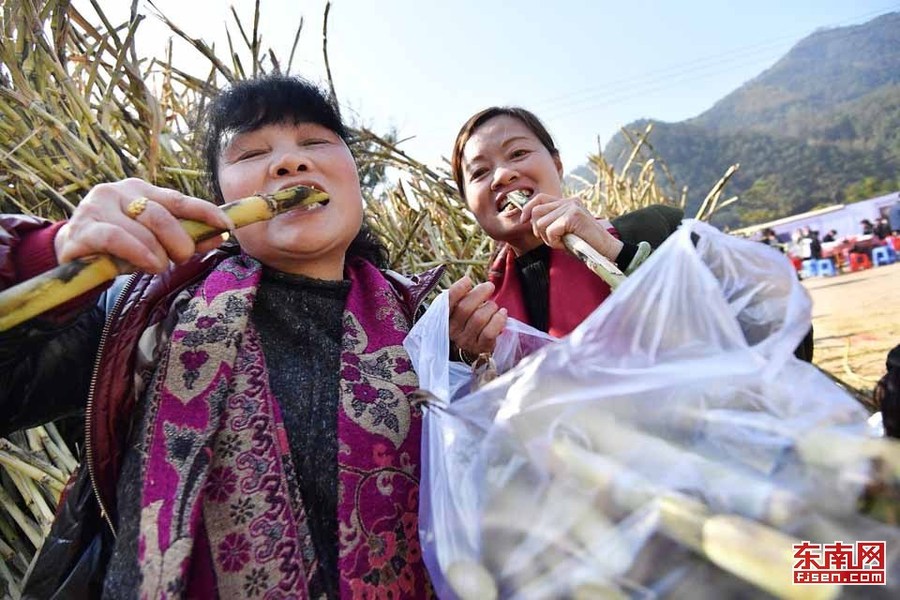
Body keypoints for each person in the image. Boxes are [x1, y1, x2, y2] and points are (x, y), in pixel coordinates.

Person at [0, 76, 436, 598]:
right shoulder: (144, 310)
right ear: (220, 202)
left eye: (315, 142)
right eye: (251, 152)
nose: (289, 164)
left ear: (355, 177)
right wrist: (43, 257)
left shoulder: (428, 329)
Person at [445, 106, 682, 358]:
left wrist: (618, 254)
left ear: (557, 166)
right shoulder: (479, 318)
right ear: (468, 204)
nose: (502, 176)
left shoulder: (654, 228)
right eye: (480, 172)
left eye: (518, 153)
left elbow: (712, 313)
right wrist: (470, 358)